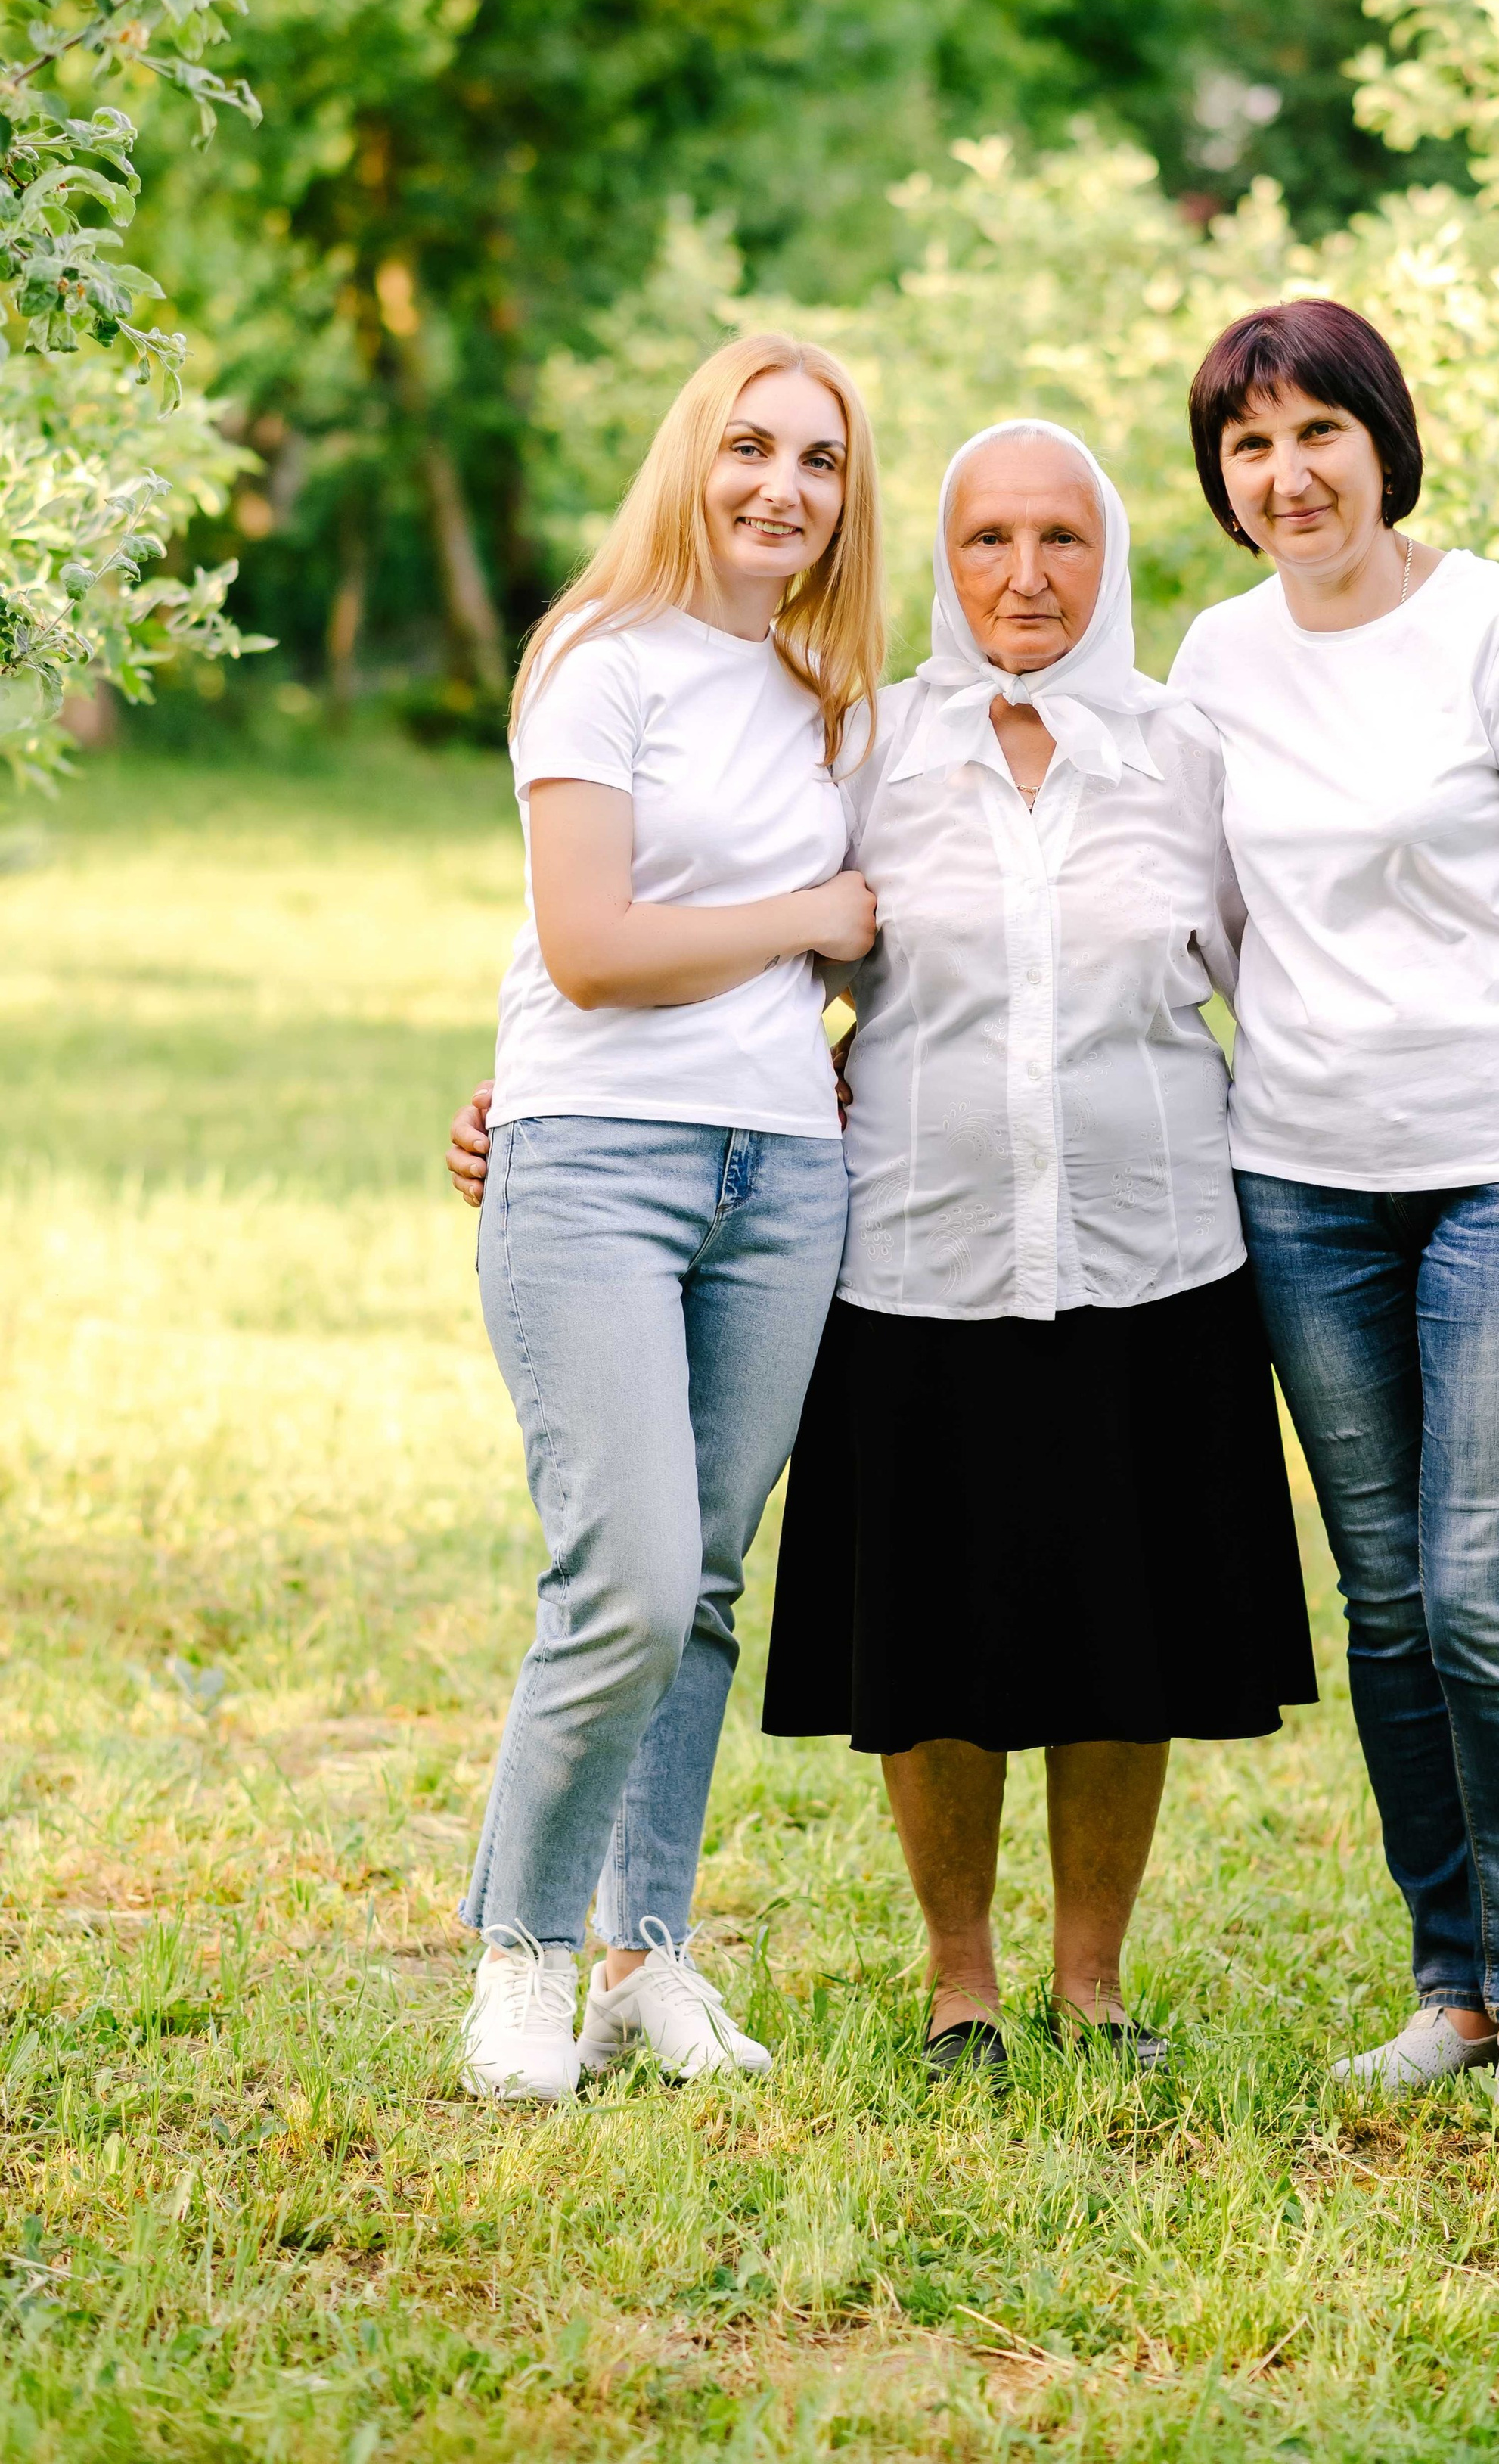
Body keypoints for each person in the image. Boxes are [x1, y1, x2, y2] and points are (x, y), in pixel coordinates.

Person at [1169, 300, 1499, 2124]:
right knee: (1384, 1598)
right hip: (1303, 1180)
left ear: (1382, 440)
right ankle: (1452, 1986)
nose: (1285, 473)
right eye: (1247, 446)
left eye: (1316, 431)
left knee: (1483, 1589)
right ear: (1221, 483)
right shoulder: (1214, 664)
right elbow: (1186, 924)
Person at [761, 418, 1317, 2081]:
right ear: (942, 557)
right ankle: (958, 1986)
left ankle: (1090, 1986)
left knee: (1118, 1631)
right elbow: (758, 961)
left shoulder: (1184, 753)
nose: (1023, 574)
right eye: (987, 538)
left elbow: (1275, 977)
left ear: (1113, 555)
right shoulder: (867, 750)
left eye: (1060, 539)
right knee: (929, 1639)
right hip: (915, 1259)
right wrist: (544, 1093)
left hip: (1151, 1258)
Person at [451, 331, 884, 2102]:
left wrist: (827, 1008)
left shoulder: (825, 695)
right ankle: (521, 1954)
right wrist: (807, 915)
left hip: (780, 1174)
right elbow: (590, 945)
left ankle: (647, 1952)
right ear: (690, 460)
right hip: (600, 1167)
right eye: (751, 446)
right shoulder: (594, 658)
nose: (783, 487)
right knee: (617, 1573)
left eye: (823, 461)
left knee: (701, 1582)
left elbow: (877, 944)